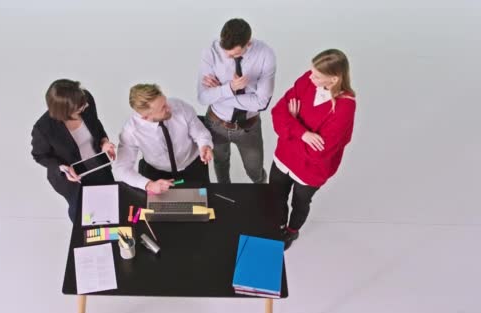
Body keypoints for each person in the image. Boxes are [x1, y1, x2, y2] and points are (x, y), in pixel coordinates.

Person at [270, 49, 356, 250]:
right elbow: (277, 113)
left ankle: (291, 231)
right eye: (311, 71)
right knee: (275, 195)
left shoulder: (345, 107)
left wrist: (290, 127)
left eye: (317, 75)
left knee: (300, 203)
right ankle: (276, 224)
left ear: (333, 79)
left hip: (311, 170)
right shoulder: (307, 81)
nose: (310, 77)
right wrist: (303, 134)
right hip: (283, 158)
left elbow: (320, 152)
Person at [197, 18, 276, 184]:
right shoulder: (211, 52)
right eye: (225, 51)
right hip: (216, 122)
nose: (227, 56)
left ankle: (261, 198)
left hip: (249, 126)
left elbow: (261, 103)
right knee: (220, 165)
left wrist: (220, 92)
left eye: (234, 54)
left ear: (248, 43)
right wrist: (230, 88)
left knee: (255, 172)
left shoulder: (265, 54)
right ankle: (225, 197)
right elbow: (203, 98)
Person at [31, 79, 116, 223]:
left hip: (98, 165)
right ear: (64, 111)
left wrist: (104, 142)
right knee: (83, 215)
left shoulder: (85, 100)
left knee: (109, 205)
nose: (86, 106)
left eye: (85, 103)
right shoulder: (43, 128)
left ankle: (111, 237)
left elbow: (96, 123)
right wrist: (62, 168)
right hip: (73, 179)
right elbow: (39, 155)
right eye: (80, 108)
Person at [113, 84, 214, 194]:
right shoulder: (131, 131)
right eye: (163, 108)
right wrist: (148, 185)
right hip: (157, 174)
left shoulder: (180, 106)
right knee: (161, 209)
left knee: (201, 204)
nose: (169, 107)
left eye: (165, 102)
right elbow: (122, 169)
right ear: (146, 117)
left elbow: (200, 133)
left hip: (193, 167)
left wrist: (205, 145)